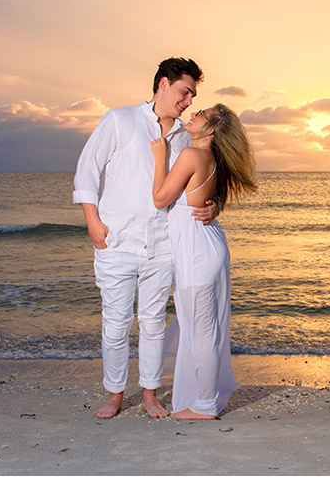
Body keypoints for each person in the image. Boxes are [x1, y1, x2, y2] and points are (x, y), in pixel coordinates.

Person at [73, 58, 219, 419]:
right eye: (185, 92)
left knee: (153, 322)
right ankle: (115, 394)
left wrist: (213, 205)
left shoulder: (187, 137)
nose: (188, 101)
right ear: (163, 85)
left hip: (163, 244)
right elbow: (87, 169)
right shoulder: (119, 120)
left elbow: (200, 182)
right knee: (116, 322)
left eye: (193, 96)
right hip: (116, 240)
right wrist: (92, 221)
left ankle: (151, 395)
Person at [150, 104, 257, 419]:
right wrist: (217, 207)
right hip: (206, 246)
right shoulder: (209, 158)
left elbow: (159, 198)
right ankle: (202, 399)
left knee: (202, 332)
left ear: (209, 130)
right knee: (203, 330)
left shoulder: (191, 156)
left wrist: (159, 158)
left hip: (198, 253)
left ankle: (205, 406)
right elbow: (211, 198)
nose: (193, 113)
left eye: (201, 114)